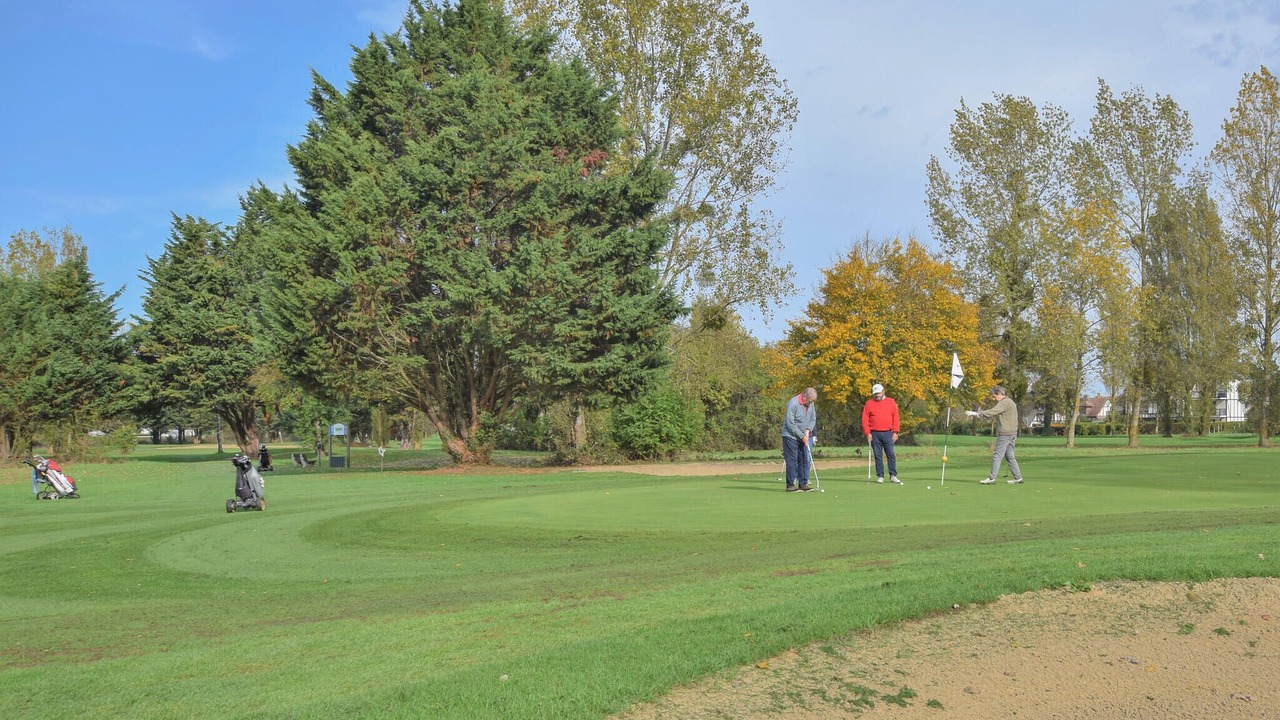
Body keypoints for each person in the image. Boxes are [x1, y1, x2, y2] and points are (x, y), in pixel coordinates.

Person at [967, 385, 1024, 484]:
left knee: (997, 455)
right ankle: (1018, 477)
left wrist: (976, 414)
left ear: (1000, 394)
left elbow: (992, 411)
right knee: (1009, 456)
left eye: (994, 396)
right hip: (1012, 433)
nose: (994, 399)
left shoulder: (1004, 403)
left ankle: (992, 478)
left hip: (1005, 433)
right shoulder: (1010, 402)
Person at [862, 383, 901, 484]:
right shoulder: (869, 403)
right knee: (878, 455)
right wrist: (868, 433)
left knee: (891, 454)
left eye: (878, 393)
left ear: (883, 391)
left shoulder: (891, 402)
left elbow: (896, 418)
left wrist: (896, 432)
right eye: (875, 394)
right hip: (874, 433)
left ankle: (893, 475)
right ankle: (880, 476)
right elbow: (865, 419)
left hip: (888, 433)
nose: (876, 395)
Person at [781, 387, 818, 492]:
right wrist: (802, 436)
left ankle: (803, 484)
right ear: (804, 396)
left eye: (812, 401)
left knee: (803, 458)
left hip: (803, 434)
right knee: (792, 460)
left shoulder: (811, 404)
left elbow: (812, 419)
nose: (811, 403)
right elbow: (790, 424)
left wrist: (807, 431)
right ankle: (790, 485)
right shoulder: (793, 403)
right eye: (810, 401)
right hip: (790, 435)